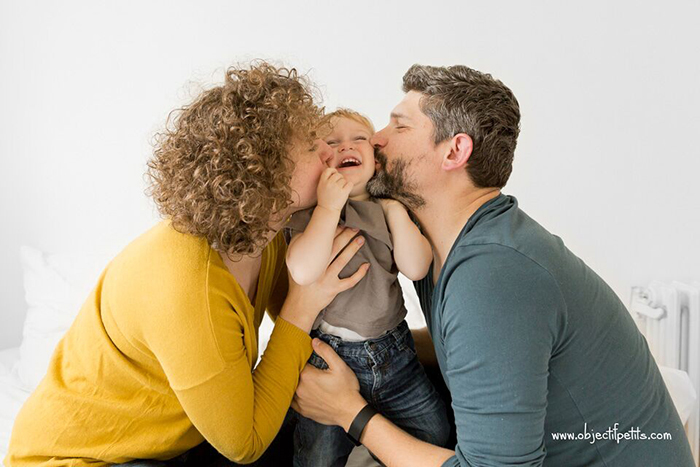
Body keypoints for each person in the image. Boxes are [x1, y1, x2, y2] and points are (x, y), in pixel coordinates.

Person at [292, 64, 695, 466]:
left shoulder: (492, 278)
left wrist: (349, 412)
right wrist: (369, 351)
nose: (376, 139)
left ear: (454, 151)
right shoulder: (442, 243)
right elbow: (474, 346)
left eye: (399, 126)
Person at [5, 62, 369, 467]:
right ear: (263, 175)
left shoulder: (261, 236)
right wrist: (302, 303)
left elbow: (315, 335)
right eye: (310, 147)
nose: (328, 151)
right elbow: (244, 444)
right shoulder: (187, 285)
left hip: (174, 444)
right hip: (79, 460)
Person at [285, 109, 450, 466]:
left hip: (395, 356)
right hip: (329, 355)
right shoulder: (313, 214)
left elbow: (417, 265)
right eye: (332, 142)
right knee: (318, 456)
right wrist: (328, 207)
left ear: (376, 159)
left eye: (359, 138)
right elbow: (302, 269)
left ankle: (374, 448)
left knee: (435, 431)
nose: (347, 145)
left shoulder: (391, 209)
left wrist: (393, 211)